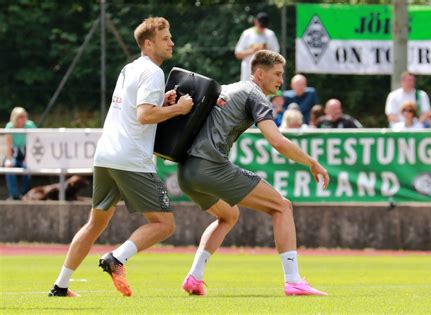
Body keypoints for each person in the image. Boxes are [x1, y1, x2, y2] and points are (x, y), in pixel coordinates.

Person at [48, 17, 194, 297]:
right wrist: (180, 109)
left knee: (95, 224)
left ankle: (60, 286)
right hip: (131, 159)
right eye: (166, 39)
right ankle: (117, 258)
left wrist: (163, 102)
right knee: (164, 224)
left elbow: (137, 110)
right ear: (149, 44)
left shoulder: (130, 68)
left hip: (106, 156)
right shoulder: (152, 72)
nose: (172, 42)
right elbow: (144, 115)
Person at [178, 50, 329, 297]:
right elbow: (277, 141)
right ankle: (293, 282)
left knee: (228, 215)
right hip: (209, 166)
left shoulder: (228, 88)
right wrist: (311, 162)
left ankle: (194, 277)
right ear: (260, 73)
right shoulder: (255, 94)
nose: (281, 80)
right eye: (278, 74)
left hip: (185, 171)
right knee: (282, 206)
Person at [235, 12, 280, 82]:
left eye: (264, 26)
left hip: (264, 74)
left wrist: (265, 51)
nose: (262, 28)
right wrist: (252, 50)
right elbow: (238, 54)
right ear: (255, 22)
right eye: (261, 26)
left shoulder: (270, 34)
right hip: (248, 74)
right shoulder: (247, 34)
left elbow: (276, 55)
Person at [3, 107, 36, 200]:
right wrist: (9, 160)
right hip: (14, 153)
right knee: (9, 167)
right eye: (20, 117)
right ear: (15, 118)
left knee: (27, 167)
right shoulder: (10, 126)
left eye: (24, 117)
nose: (23, 119)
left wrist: (28, 158)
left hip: (28, 152)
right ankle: (14, 195)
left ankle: (25, 193)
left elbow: (34, 143)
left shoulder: (30, 126)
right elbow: (9, 145)